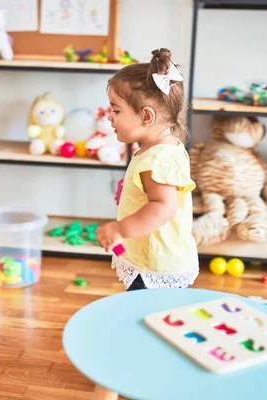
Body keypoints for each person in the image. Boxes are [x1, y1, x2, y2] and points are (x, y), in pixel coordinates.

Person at [96, 48, 199, 291]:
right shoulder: (167, 147)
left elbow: (164, 207)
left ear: (146, 116)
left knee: (146, 318)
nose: (110, 117)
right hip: (159, 257)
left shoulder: (158, 158)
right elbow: (157, 193)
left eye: (116, 110)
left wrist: (120, 228)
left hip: (155, 264)